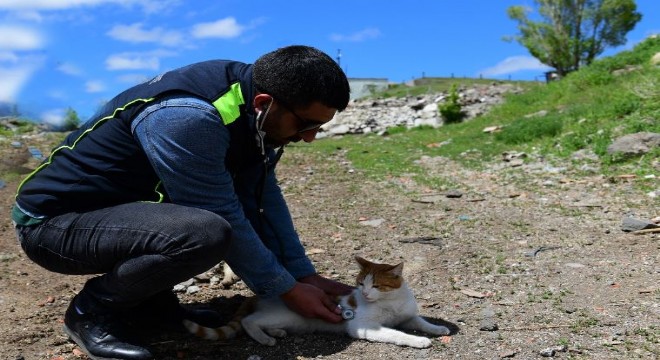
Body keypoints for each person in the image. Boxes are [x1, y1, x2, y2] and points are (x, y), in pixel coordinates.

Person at [12, 45, 353, 360]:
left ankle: (151, 306)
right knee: (204, 232)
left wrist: (302, 274)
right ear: (264, 102)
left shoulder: (259, 118)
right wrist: (285, 289)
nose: (309, 137)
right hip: (53, 225)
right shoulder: (188, 116)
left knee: (199, 229)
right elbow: (223, 212)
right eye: (307, 124)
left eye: (319, 128)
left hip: (122, 217)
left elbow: (261, 196)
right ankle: (91, 311)